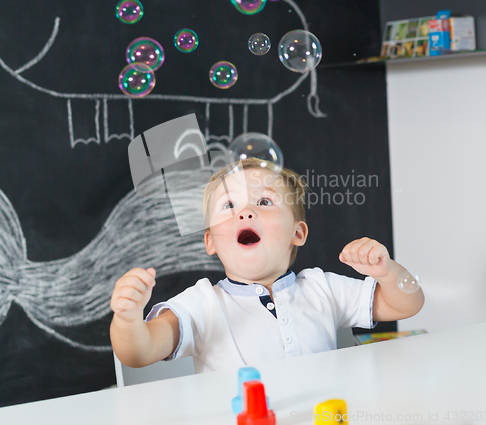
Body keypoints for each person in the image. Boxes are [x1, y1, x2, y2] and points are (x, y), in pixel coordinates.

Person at [110, 158, 424, 373]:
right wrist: (126, 320)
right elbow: (139, 352)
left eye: (263, 202)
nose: (245, 213)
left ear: (297, 233)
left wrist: (387, 272)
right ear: (211, 242)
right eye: (229, 205)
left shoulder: (322, 288)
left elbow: (406, 304)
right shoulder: (202, 304)